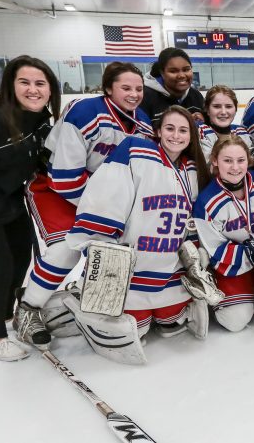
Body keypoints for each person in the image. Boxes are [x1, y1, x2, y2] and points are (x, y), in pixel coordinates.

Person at [17, 62, 153, 348]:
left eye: (138, 88)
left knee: (117, 247)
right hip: (55, 189)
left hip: (102, 197)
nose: (134, 94)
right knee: (66, 249)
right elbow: (64, 178)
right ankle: (28, 309)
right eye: (125, 88)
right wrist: (105, 209)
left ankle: (96, 300)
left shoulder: (142, 122)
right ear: (108, 88)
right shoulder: (85, 113)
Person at [66, 106, 210, 340]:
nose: (176, 135)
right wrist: (105, 240)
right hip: (135, 261)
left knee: (169, 319)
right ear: (158, 131)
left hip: (171, 262)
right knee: (137, 327)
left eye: (183, 130)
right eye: (170, 128)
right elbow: (109, 192)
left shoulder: (194, 169)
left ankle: (165, 309)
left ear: (191, 136)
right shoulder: (137, 152)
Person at [0, 56, 60, 361]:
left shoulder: (40, 118)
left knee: (19, 262)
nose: (33, 89)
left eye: (40, 83)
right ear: (10, 85)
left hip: (9, 203)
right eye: (25, 82)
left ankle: (6, 315)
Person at [192, 136, 254, 332]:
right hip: (236, 264)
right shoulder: (207, 201)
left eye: (240, 160)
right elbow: (212, 247)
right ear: (215, 161)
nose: (235, 167)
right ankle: (246, 289)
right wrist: (248, 253)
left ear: (248, 160)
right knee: (234, 321)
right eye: (227, 160)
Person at [140, 48, 205, 125]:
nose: (181, 75)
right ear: (162, 73)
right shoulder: (145, 97)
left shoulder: (196, 96)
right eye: (173, 71)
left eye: (186, 70)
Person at [198, 85, 252, 161]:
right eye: (217, 106)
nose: (223, 112)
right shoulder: (201, 132)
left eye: (228, 106)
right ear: (207, 109)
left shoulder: (240, 132)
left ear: (235, 109)